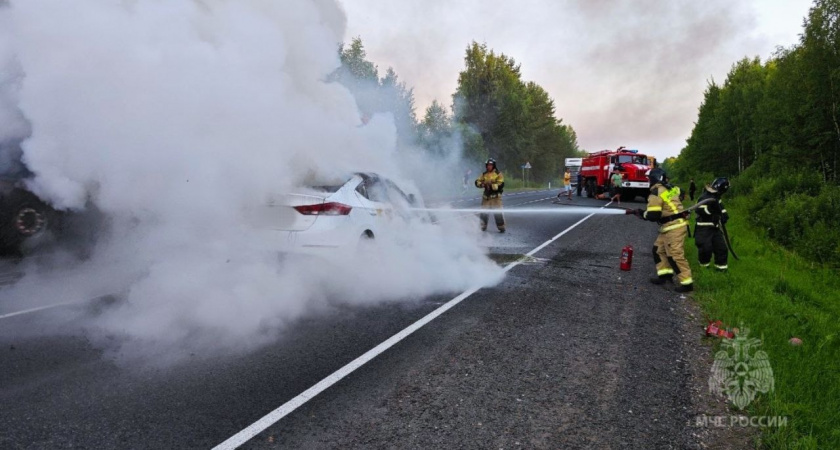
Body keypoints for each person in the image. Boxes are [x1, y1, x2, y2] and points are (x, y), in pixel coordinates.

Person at [634, 168, 694, 293]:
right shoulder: (671, 188)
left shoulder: (656, 192)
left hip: (674, 227)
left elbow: (653, 216)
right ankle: (665, 276)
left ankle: (687, 283)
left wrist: (642, 214)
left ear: (653, 179)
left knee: (675, 255)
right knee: (658, 250)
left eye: (649, 179)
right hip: (669, 226)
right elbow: (681, 193)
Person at [694, 177, 730, 271]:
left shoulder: (717, 197)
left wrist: (724, 215)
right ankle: (704, 268)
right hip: (703, 227)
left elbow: (721, 208)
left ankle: (721, 269)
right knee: (705, 249)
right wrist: (712, 213)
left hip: (715, 227)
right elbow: (699, 209)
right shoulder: (705, 196)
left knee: (721, 248)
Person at [475, 158, 505, 233]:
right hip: (486, 198)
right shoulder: (484, 174)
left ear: (494, 165)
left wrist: (491, 186)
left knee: (498, 213)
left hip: (496, 198)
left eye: (490, 165)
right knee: (484, 212)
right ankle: (483, 227)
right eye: (488, 165)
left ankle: (501, 227)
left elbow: (500, 184)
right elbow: (477, 181)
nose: (489, 166)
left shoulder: (498, 174)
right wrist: (482, 184)